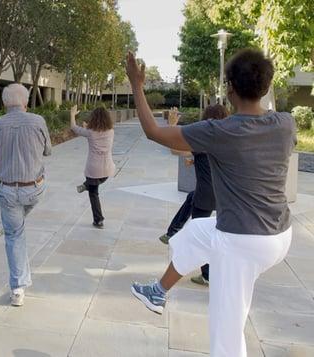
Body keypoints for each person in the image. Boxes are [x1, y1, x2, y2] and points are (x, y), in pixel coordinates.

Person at [126, 49, 295, 357]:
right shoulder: (285, 124)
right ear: (267, 87)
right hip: (280, 235)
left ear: (229, 88)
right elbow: (263, 110)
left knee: (226, 336)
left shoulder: (220, 132)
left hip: (243, 243)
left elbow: (153, 132)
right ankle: (158, 292)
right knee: (196, 233)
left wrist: (137, 85)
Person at [0, 83, 52, 307]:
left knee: (14, 234)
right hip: (35, 188)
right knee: (16, 231)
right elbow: (48, 150)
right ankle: (19, 279)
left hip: (6, 190)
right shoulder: (38, 121)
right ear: (25, 102)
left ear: (4, 104)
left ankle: (17, 289)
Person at [158, 104, 228, 286]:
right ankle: (172, 231)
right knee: (191, 197)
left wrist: (172, 125)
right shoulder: (228, 140)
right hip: (224, 196)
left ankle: (207, 274)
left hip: (206, 196)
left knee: (200, 238)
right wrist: (196, 159)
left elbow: (174, 149)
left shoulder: (204, 141)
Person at [70, 105, 115, 228]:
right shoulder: (111, 131)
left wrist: (72, 114)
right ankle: (86, 185)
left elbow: (74, 127)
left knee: (94, 193)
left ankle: (98, 220)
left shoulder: (90, 133)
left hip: (93, 169)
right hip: (107, 169)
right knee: (96, 184)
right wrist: (87, 129)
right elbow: (97, 134)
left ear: (93, 118)